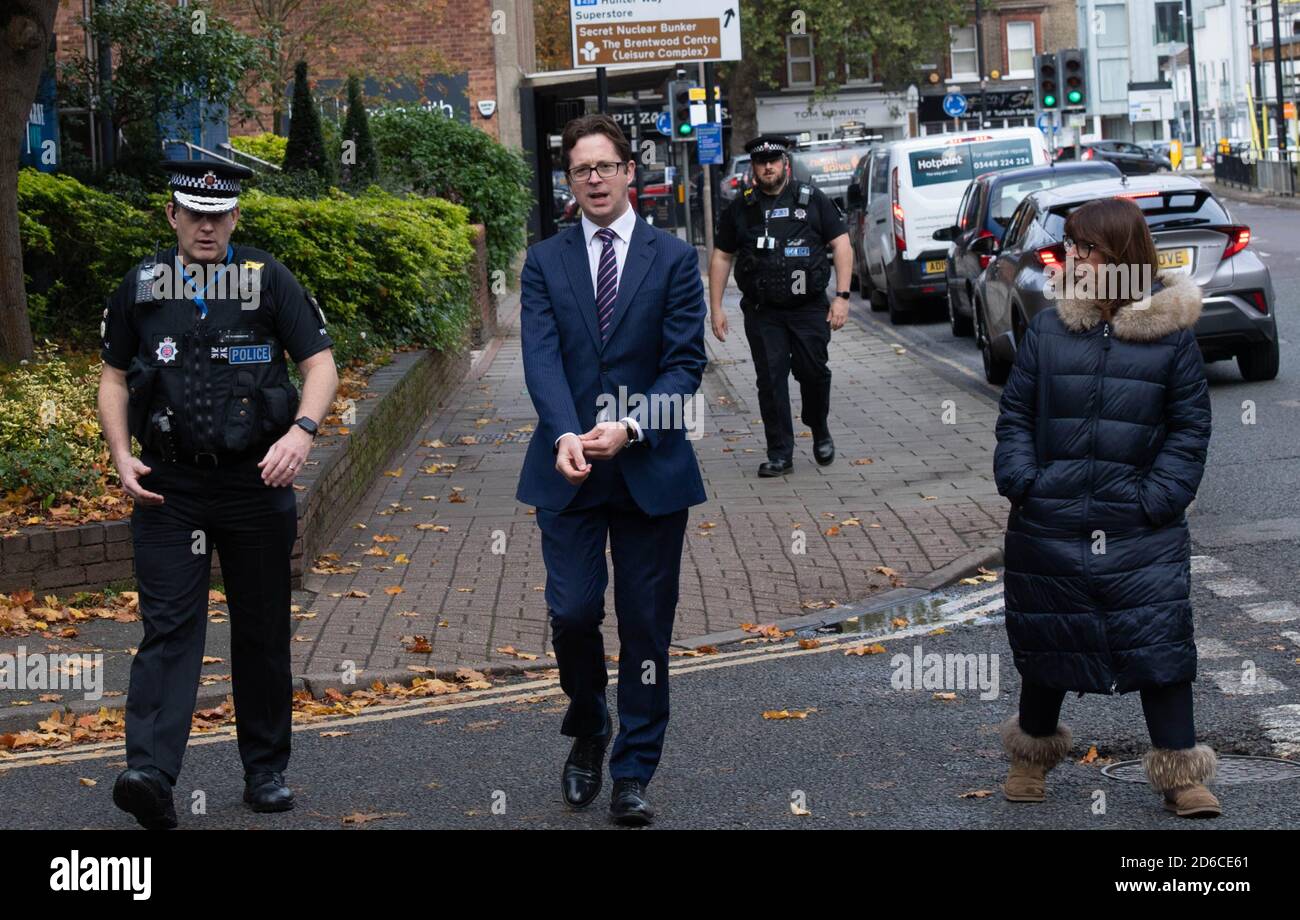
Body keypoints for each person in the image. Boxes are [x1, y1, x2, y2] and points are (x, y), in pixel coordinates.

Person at [97, 159, 339, 828]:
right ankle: (150, 773)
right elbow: (114, 377)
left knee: (261, 630)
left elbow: (320, 364)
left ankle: (265, 771)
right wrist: (120, 454)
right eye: (194, 215)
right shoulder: (142, 288)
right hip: (169, 488)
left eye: (219, 215)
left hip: (255, 482)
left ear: (235, 218)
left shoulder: (268, 281)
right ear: (172, 216)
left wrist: (302, 433)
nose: (207, 226)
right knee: (169, 629)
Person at [993, 196, 1218, 818]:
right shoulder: (1047, 329)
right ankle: (1029, 760)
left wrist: (1160, 497)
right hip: (1050, 517)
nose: (1074, 258)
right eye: (1071, 246)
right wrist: (1022, 481)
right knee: (1048, 639)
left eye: (1085, 248)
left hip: (1138, 522)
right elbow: (1014, 415)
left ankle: (1181, 774)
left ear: (1120, 255)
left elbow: (1189, 427)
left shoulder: (1170, 339)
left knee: (1159, 643)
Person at [516, 114, 707, 826]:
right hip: (565, 469)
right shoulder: (545, 261)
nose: (594, 179)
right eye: (581, 170)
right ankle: (591, 718)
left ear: (631, 172)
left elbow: (685, 363)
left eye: (605, 166)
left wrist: (630, 426)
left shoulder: (673, 258)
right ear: (571, 182)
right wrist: (566, 430)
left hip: (650, 469)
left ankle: (633, 772)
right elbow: (540, 356)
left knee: (646, 626)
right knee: (570, 614)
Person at [708, 134, 853, 477]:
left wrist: (842, 297)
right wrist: (715, 307)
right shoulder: (740, 208)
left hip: (808, 308)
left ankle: (818, 427)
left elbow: (842, 245)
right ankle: (779, 453)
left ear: (785, 163)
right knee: (770, 381)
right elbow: (722, 255)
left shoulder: (812, 199)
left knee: (812, 373)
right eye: (762, 162)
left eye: (774, 160)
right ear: (754, 168)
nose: (768, 167)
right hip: (763, 311)